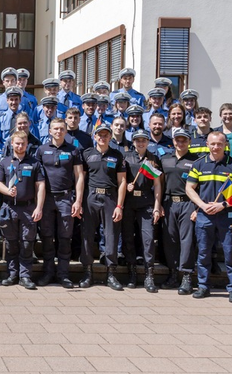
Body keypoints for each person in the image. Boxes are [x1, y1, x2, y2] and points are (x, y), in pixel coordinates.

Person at [186, 131, 232, 302]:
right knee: (203, 252)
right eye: (213, 144)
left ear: (225, 145)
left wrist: (223, 204)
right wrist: (202, 206)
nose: (216, 147)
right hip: (204, 214)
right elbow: (190, 188)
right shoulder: (199, 164)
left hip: (227, 214)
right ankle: (203, 286)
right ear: (207, 144)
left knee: (230, 252)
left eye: (219, 144)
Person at [36, 118, 84, 288]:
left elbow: (79, 177)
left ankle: (63, 275)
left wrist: (78, 201)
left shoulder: (74, 150)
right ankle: (48, 273)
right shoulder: (41, 150)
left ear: (65, 131)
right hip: (47, 199)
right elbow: (37, 179)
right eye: (55, 129)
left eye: (61, 129)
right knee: (47, 238)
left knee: (65, 238)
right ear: (50, 131)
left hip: (66, 198)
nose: (58, 131)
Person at [0, 130, 45, 290]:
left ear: (27, 144)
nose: (20, 146)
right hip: (9, 207)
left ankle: (25, 276)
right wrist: (7, 191)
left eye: (23, 143)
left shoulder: (35, 163)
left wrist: (39, 207)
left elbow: (41, 186)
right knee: (11, 244)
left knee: (27, 243)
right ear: (12, 144)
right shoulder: (4, 163)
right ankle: (12, 274)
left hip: (28, 208)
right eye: (17, 143)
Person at [80, 123, 127, 290]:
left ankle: (111, 274)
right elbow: (81, 179)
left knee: (111, 235)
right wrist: (79, 202)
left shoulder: (117, 155)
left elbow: (122, 182)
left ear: (110, 137)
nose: (102, 137)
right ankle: (87, 272)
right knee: (87, 234)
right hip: (90, 196)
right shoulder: (86, 154)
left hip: (110, 197)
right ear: (94, 136)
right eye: (100, 134)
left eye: (106, 135)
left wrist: (119, 206)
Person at [121, 129, 163, 291]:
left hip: (146, 202)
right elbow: (121, 179)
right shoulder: (126, 157)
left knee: (148, 238)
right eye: (137, 140)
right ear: (133, 142)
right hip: (129, 202)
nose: (141, 143)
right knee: (128, 238)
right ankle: (132, 273)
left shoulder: (153, 159)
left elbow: (158, 184)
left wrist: (157, 207)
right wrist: (127, 186)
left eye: (144, 140)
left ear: (148, 142)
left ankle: (149, 275)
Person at [159, 128, 199, 294]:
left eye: (184, 140)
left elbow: (201, 187)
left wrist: (197, 208)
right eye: (177, 140)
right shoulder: (164, 159)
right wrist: (159, 204)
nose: (180, 143)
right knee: (170, 240)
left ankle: (187, 276)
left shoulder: (196, 161)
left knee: (187, 241)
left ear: (189, 142)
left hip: (187, 204)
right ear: (173, 141)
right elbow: (159, 184)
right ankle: (173, 273)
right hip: (168, 203)